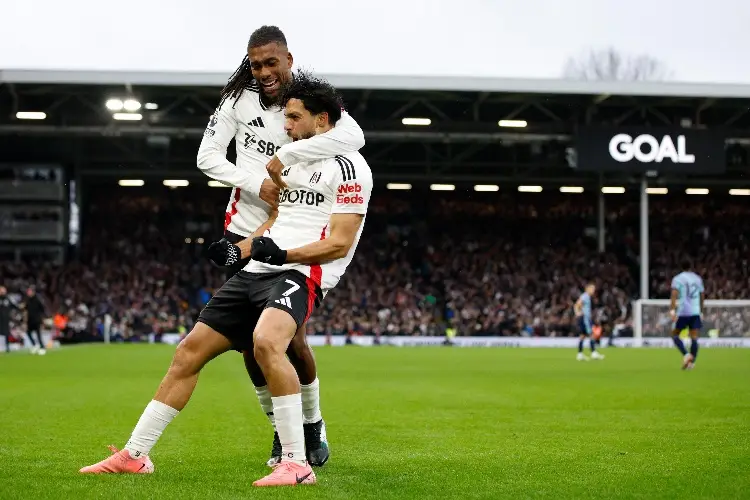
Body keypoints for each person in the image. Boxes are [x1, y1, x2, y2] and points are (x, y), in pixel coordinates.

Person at [80, 71, 373, 488]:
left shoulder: (350, 168)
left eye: (293, 118)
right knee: (188, 352)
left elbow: (340, 243)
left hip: (303, 272)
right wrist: (243, 249)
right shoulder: (289, 163)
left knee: (268, 343)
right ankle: (135, 454)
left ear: (322, 120)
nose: (285, 126)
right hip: (261, 268)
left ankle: (296, 463)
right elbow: (278, 219)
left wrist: (282, 254)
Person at [199, 25, 365, 467]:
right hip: (247, 229)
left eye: (272, 62)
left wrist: (285, 159)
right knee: (251, 347)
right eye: (256, 65)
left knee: (288, 341)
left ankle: (312, 422)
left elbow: (355, 138)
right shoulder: (236, 102)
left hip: (293, 229)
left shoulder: (310, 102)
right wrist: (258, 182)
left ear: (288, 60)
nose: (264, 72)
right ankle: (282, 431)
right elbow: (207, 157)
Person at [669, 260, 704, 370]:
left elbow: (674, 295)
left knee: (675, 335)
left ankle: (686, 354)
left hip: (684, 311)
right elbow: (702, 295)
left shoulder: (678, 279)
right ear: (691, 266)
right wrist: (701, 310)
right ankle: (691, 363)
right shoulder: (697, 278)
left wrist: (672, 310)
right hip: (695, 311)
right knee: (694, 337)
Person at [574, 283, 604, 361]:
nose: (593, 291)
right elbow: (577, 304)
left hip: (585, 318)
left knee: (582, 336)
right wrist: (578, 313)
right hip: (585, 319)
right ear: (588, 289)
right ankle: (593, 353)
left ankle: (580, 354)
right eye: (592, 289)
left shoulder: (587, 297)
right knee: (592, 335)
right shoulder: (585, 296)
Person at [24, 287, 46, 355]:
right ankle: (35, 345)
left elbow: (42, 309)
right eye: (28, 292)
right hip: (30, 321)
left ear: (33, 292)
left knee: (38, 335)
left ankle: (42, 348)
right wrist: (25, 321)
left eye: (30, 292)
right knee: (28, 333)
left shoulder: (37, 300)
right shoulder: (28, 301)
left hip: (37, 320)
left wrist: (42, 320)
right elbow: (26, 311)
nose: (28, 293)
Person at [0, 286, 19, 353]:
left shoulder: (8, 299)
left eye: (3, 290)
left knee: (6, 333)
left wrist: (15, 314)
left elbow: (15, 306)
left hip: (6, 319)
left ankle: (7, 347)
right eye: (1, 290)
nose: (2, 292)